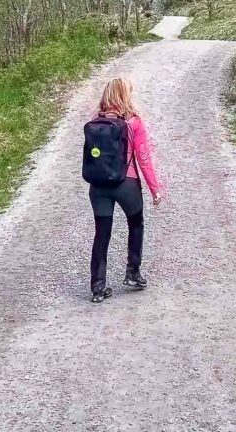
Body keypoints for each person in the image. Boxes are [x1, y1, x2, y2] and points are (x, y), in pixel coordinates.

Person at [87, 78, 162, 304]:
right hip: (126, 183)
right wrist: (154, 188)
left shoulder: (95, 121)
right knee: (136, 224)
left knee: (102, 234)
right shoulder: (134, 122)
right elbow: (144, 158)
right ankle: (132, 273)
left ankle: (98, 286)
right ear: (125, 95)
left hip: (98, 186)